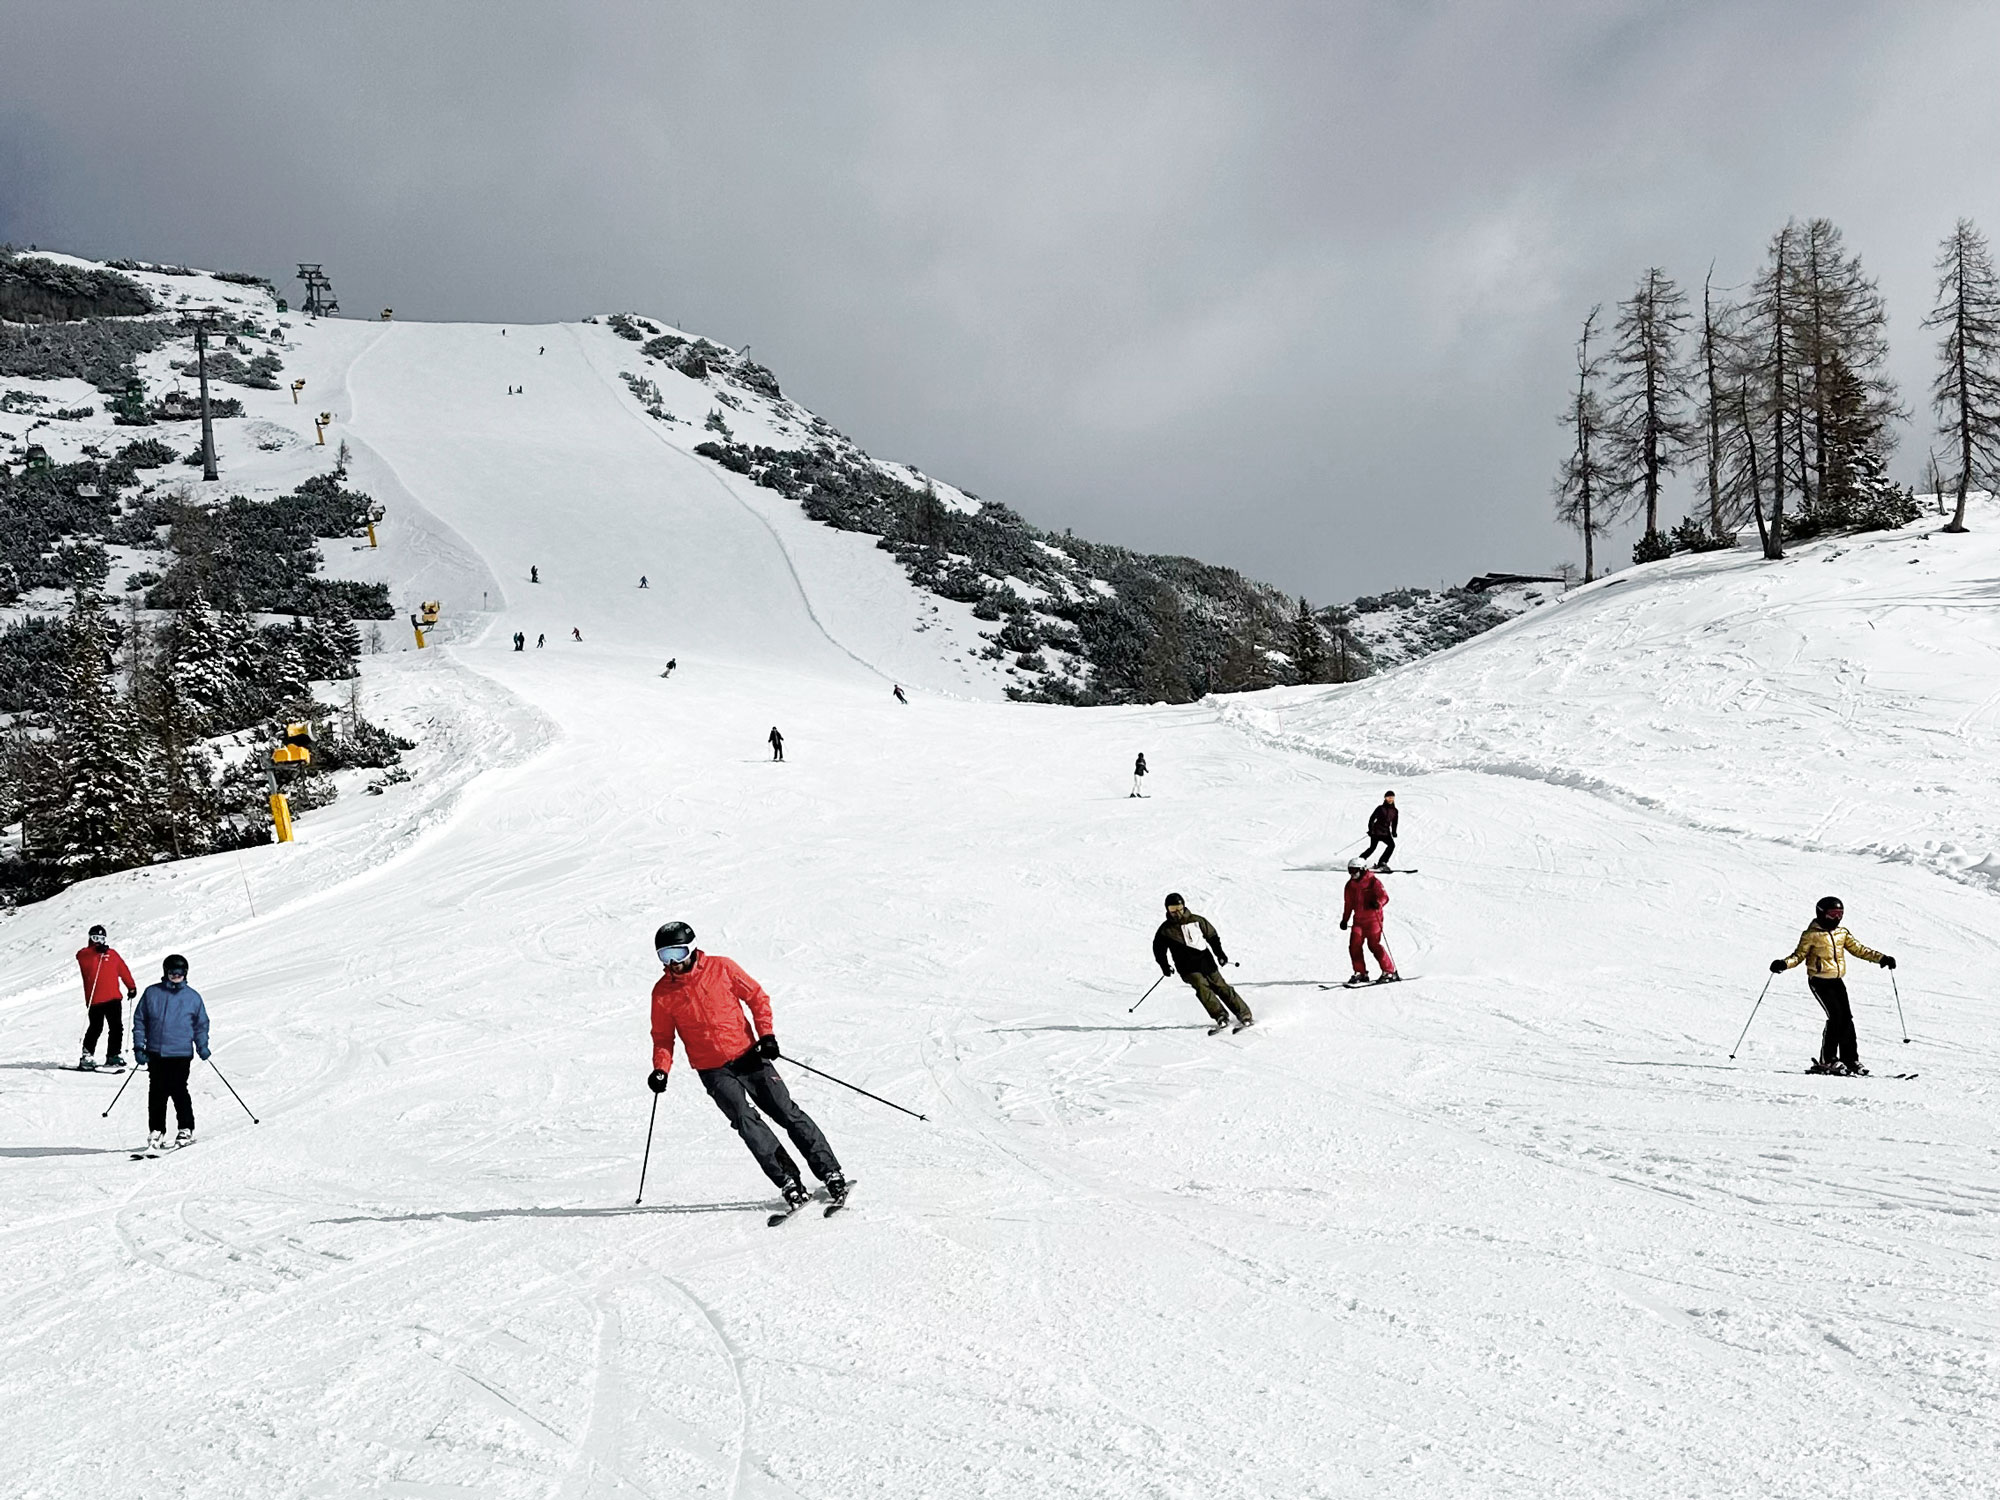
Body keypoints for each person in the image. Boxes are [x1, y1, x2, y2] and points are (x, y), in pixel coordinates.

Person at [645, 921, 845, 1211]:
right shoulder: (662, 993)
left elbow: (756, 997)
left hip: (749, 1056)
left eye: (678, 953)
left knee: (785, 1111)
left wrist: (767, 1036)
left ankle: (830, 1172)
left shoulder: (722, 968)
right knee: (745, 1120)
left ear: (692, 948)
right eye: (665, 956)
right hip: (712, 1069)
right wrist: (660, 1069)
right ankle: (789, 1181)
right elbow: (663, 1037)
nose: (672, 962)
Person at [1771, 896, 1895, 1076]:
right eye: (1832, 914)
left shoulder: (1841, 933)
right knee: (1835, 1017)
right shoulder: (1811, 935)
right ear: (1821, 914)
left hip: (1837, 980)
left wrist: (1882, 958)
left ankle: (1850, 1059)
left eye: (1840, 914)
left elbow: (1859, 949)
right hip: (1819, 980)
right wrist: (1783, 964)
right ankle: (1827, 1060)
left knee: (1847, 1019)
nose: (1836, 918)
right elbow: (1798, 956)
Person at [132, 954, 210, 1151]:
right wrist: (139, 1047)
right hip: (156, 1052)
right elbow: (140, 1021)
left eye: (180, 972)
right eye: (172, 972)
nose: (176, 976)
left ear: (185, 973)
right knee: (157, 1092)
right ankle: (156, 1130)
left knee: (178, 1090)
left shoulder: (192, 997)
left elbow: (201, 1025)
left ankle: (185, 1128)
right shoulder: (152, 993)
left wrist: (202, 1046)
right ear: (165, 972)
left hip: (181, 1053)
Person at [1153, 893, 1253, 1034]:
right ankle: (1220, 1016)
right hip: (1186, 967)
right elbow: (1158, 950)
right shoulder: (1165, 930)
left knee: (1220, 986)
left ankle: (1244, 1015)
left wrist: (1220, 954)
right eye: (1173, 909)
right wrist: (1164, 966)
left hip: (1205, 961)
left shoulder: (1197, 921)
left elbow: (1212, 937)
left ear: (1184, 906)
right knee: (1201, 986)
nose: (1177, 912)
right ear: (1167, 909)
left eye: (1179, 907)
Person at [76, 924, 137, 1071]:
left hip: (113, 997)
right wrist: (95, 951)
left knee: (116, 1027)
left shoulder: (112, 954)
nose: (98, 941)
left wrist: (131, 986)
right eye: (95, 938)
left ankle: (113, 1055)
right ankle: (87, 1055)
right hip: (95, 999)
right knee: (96, 1027)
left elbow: (123, 970)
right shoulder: (85, 955)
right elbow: (81, 956)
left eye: (101, 938)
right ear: (90, 938)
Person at [1340, 858, 1400, 985]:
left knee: (1374, 945)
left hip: (1373, 919)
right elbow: (1348, 904)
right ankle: (1360, 972)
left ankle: (1389, 971)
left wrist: (1378, 903)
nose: (1352, 874)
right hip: (1358, 920)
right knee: (1354, 945)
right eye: (1350, 870)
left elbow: (1384, 897)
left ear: (1362, 870)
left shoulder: (1373, 882)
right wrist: (1345, 920)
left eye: (1355, 870)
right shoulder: (1350, 885)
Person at [1361, 792, 1398, 871]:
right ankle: (1360, 860)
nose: (1390, 799)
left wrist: (1394, 832)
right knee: (1372, 848)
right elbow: (1372, 819)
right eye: (1389, 798)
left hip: (1386, 833)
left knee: (1391, 845)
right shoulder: (1380, 808)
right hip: (1376, 832)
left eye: (1392, 798)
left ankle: (1382, 862)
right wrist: (1371, 830)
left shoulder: (1395, 811)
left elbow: (1394, 823)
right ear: (1385, 798)